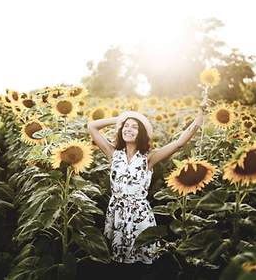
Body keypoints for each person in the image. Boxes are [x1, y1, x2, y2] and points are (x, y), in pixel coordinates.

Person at [87, 106, 206, 279]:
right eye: (126, 126)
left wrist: (200, 116)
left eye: (134, 126)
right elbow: (92, 126)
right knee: (117, 265)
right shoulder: (113, 153)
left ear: (141, 133)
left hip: (139, 214)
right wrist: (120, 118)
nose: (128, 129)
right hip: (117, 212)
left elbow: (179, 143)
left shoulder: (148, 157)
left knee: (141, 264)